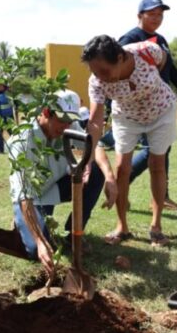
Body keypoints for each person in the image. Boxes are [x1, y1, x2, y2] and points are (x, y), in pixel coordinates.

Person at [83, 34, 177, 247]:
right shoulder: (96, 82)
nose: (101, 77)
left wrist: (151, 84)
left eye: (105, 71)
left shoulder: (145, 51)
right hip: (126, 117)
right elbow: (96, 120)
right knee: (122, 168)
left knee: (157, 165)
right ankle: (122, 227)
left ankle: (156, 227)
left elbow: (164, 61)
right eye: (95, 72)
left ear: (119, 57)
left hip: (161, 111)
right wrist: (87, 159)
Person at [8, 90, 116, 273]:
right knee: (36, 249)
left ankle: (73, 233)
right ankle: (22, 222)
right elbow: (24, 195)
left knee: (96, 171)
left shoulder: (69, 125)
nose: (66, 127)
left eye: (69, 120)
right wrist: (41, 243)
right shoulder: (22, 141)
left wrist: (110, 177)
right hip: (31, 198)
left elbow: (93, 144)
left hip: (57, 185)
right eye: (61, 120)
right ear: (45, 112)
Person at [117, 0, 177, 211]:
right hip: (139, 107)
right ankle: (121, 185)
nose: (157, 18)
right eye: (152, 14)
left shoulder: (160, 39)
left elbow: (171, 70)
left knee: (163, 150)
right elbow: (116, 70)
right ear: (139, 15)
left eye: (160, 14)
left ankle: (162, 196)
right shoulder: (129, 38)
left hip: (161, 105)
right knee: (152, 151)